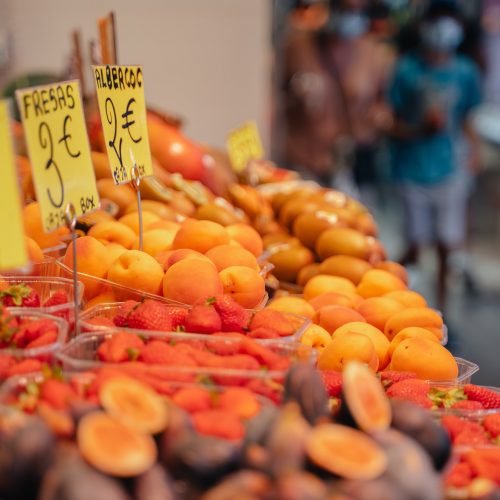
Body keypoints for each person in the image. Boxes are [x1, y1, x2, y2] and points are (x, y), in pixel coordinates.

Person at [387, 0, 482, 310]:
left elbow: (467, 117)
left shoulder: (466, 71)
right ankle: (387, 288)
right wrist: (419, 130)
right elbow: (390, 123)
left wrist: (474, 150)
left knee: (446, 247)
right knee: (415, 246)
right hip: (412, 168)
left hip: (449, 168)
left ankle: (441, 312)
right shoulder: (406, 69)